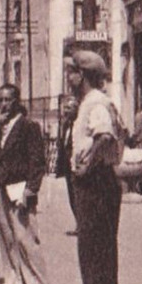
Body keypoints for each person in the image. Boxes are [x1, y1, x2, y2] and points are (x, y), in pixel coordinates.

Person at [65, 51, 124, 284]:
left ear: (83, 74)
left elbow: (104, 136)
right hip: (99, 182)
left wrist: (88, 164)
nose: (68, 78)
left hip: (96, 183)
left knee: (95, 247)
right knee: (97, 246)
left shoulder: (96, 103)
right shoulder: (89, 102)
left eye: (71, 72)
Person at [0, 83, 51, 284]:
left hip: (19, 187)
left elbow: (37, 161)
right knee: (6, 236)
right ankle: (13, 280)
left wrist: (31, 189)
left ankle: (37, 282)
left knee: (25, 235)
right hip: (0, 187)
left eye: (8, 99)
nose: (3, 104)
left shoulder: (28, 126)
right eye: (0, 100)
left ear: (17, 100)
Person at [55, 93, 78, 233]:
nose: (66, 111)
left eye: (69, 108)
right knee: (71, 195)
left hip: (76, 165)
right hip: (67, 166)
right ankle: (78, 223)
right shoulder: (65, 124)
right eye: (65, 108)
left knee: (77, 195)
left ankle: (82, 225)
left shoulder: (78, 124)